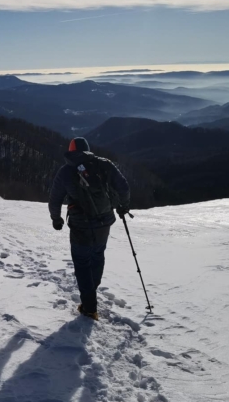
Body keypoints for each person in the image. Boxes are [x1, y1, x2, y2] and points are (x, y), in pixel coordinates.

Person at [48, 137, 129, 320]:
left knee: (82, 264)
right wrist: (123, 206)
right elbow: (123, 186)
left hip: (80, 227)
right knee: (98, 256)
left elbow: (55, 199)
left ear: (70, 151)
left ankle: (89, 307)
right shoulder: (104, 164)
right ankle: (92, 290)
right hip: (104, 223)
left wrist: (56, 219)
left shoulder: (66, 171)